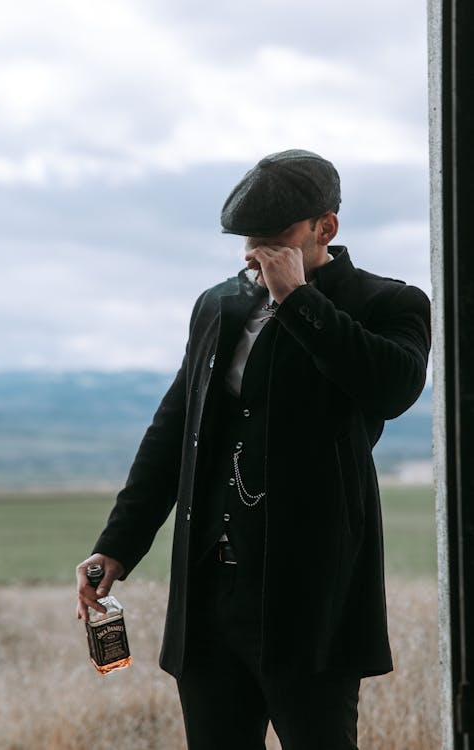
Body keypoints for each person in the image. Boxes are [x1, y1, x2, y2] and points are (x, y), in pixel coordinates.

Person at [76, 149, 431, 749]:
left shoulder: (388, 303)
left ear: (327, 228)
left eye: (274, 238)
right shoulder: (217, 304)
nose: (254, 254)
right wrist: (117, 546)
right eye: (248, 240)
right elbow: (174, 432)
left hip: (310, 596)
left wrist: (299, 299)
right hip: (210, 597)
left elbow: (393, 388)